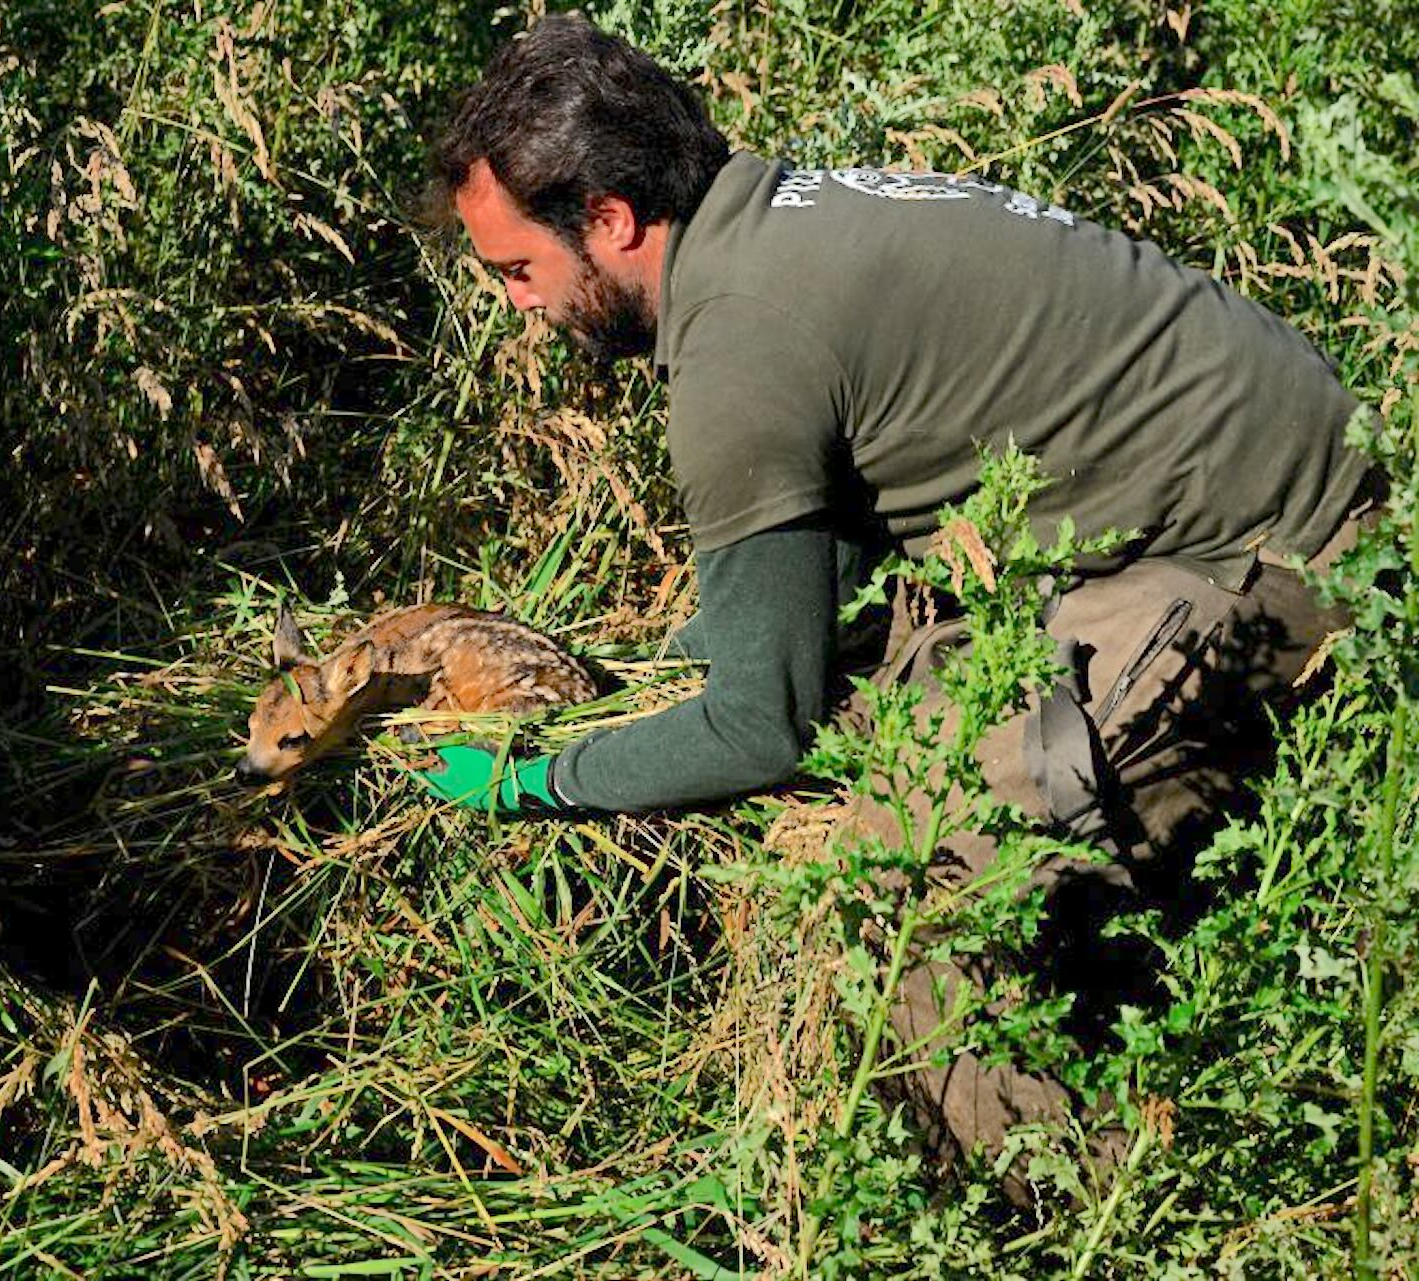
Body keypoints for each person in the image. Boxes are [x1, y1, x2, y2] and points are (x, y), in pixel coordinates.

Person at [406, 14, 1382, 1197]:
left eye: (520, 269)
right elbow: (827, 549)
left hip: (1276, 553)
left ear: (609, 222)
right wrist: (704, 644)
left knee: (901, 875)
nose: (519, 303)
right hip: (1256, 467)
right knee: (900, 686)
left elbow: (755, 731)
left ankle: (1082, 1208)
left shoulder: (742, 350)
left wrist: (536, 783)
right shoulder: (791, 211)